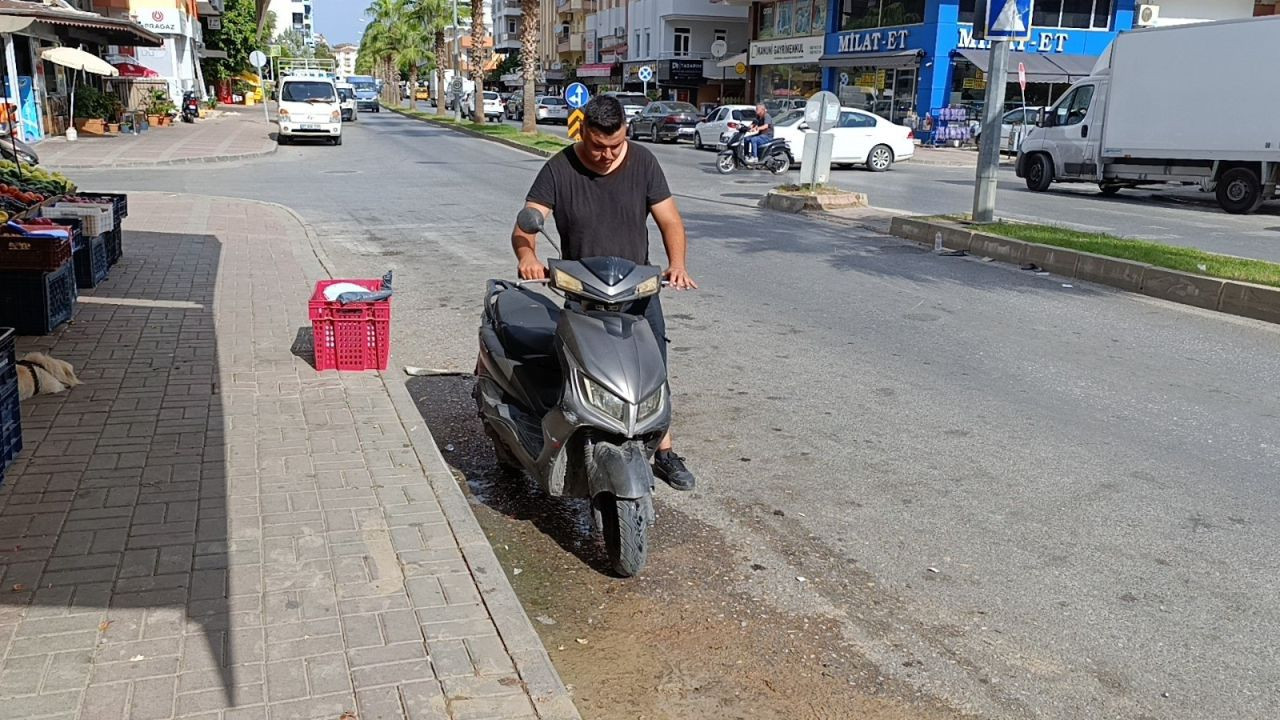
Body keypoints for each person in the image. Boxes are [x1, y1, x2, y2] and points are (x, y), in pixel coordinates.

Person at [511, 94, 699, 491]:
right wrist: (528, 255)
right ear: (583, 133)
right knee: (580, 372)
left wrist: (677, 264)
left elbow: (670, 221)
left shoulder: (643, 161)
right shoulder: (559, 168)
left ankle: (663, 452)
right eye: (598, 146)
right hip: (584, 292)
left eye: (616, 145)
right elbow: (525, 226)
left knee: (655, 372)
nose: (608, 155)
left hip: (637, 290)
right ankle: (576, 441)